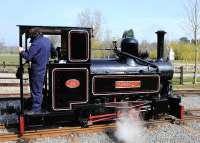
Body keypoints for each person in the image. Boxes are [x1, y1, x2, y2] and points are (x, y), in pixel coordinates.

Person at [18, 27, 55, 113]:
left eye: (31, 37)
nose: (30, 39)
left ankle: (36, 110)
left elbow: (28, 56)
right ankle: (36, 105)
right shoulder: (47, 41)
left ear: (34, 36)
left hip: (37, 70)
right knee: (39, 89)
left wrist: (21, 51)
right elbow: (54, 52)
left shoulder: (36, 44)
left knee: (36, 91)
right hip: (44, 68)